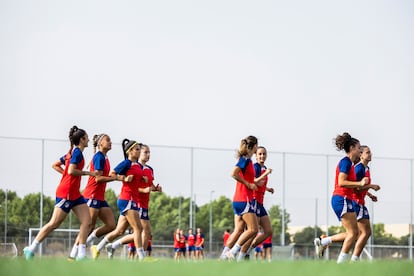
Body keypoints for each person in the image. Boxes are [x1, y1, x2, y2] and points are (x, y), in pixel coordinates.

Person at [23, 126, 96, 260]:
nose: (89, 140)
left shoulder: (72, 152)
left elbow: (56, 165)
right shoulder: (77, 153)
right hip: (66, 193)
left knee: (87, 222)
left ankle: (81, 254)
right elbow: (71, 171)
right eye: (87, 137)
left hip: (75, 194)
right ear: (82, 139)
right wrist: (88, 173)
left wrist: (67, 177)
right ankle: (31, 249)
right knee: (54, 224)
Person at [314, 143, 380, 262]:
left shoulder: (362, 167)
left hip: (353, 200)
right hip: (350, 200)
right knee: (359, 233)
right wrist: (369, 186)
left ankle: (325, 241)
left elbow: (356, 186)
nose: (369, 154)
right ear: (354, 150)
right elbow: (349, 184)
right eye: (365, 151)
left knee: (358, 233)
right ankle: (348, 261)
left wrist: (369, 193)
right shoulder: (355, 166)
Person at [96, 144, 162, 259]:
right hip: (134, 202)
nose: (148, 155)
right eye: (145, 152)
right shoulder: (131, 165)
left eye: (149, 152)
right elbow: (131, 185)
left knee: (120, 230)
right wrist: (143, 189)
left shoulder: (149, 169)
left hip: (139, 203)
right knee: (144, 231)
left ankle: (102, 247)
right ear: (137, 153)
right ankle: (141, 258)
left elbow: (147, 185)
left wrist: (154, 188)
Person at [91, 139, 145, 261]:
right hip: (127, 199)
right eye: (137, 149)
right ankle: (142, 258)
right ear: (130, 152)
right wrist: (124, 179)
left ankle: (99, 248)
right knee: (138, 229)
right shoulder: (126, 163)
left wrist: (143, 180)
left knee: (119, 231)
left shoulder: (138, 165)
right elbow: (112, 173)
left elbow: (136, 180)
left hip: (133, 199)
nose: (139, 151)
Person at [68, 133, 119, 260]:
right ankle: (73, 255)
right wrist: (115, 178)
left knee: (111, 225)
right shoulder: (99, 157)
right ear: (100, 143)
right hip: (92, 195)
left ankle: (89, 242)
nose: (110, 142)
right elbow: (98, 179)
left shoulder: (105, 157)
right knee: (88, 225)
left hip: (100, 197)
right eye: (108, 140)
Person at [219, 135, 259, 261]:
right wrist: (248, 184)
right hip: (243, 199)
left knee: (238, 230)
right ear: (255, 146)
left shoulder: (248, 160)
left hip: (240, 199)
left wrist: (253, 184)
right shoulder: (245, 159)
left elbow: (246, 177)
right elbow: (233, 173)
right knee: (253, 229)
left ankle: (222, 257)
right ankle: (232, 252)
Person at [243, 146, 274, 259]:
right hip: (254, 201)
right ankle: (240, 253)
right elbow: (253, 181)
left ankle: (248, 250)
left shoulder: (264, 167)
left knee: (268, 231)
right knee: (252, 231)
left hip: (261, 203)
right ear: (256, 156)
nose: (262, 156)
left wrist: (268, 189)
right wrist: (266, 173)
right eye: (260, 154)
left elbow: (260, 184)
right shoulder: (255, 167)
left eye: (264, 154)